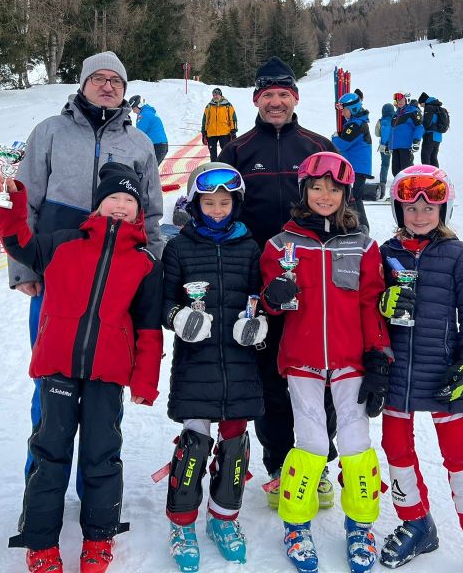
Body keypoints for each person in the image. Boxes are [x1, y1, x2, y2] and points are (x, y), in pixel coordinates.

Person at [0, 162, 164, 573]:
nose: (120, 204)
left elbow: (148, 327)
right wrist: (11, 201)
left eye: (129, 200)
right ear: (98, 205)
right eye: (113, 197)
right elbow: (18, 242)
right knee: (49, 452)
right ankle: (40, 543)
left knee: (102, 454)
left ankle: (99, 539)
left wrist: (144, 381)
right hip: (58, 367)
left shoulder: (144, 262)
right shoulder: (64, 243)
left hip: (108, 373)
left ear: (138, 211)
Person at [11, 51, 164, 473]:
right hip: (56, 279)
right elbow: (25, 200)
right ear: (82, 84)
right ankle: (42, 481)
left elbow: (151, 215)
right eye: (99, 78)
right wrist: (24, 269)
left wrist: (150, 271)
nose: (107, 86)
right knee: (50, 380)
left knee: (104, 388)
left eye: (116, 80)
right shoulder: (51, 132)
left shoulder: (139, 143)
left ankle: (95, 488)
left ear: (125, 90)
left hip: (117, 288)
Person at [376, 165, 463, 573]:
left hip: (444, 372)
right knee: (396, 449)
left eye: (429, 208)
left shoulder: (459, 254)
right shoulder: (385, 253)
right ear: (398, 210)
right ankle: (416, 523)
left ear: (444, 209)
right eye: (411, 208)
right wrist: (383, 304)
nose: (420, 215)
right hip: (398, 372)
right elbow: (368, 304)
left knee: (458, 454)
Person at [259, 151, 390, 573]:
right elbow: (269, 301)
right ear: (304, 192)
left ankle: (361, 524)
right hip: (303, 360)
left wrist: (378, 356)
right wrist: (273, 297)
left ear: (346, 195)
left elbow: (371, 305)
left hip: (352, 361)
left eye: (334, 189)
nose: (324, 196)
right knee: (313, 442)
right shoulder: (281, 244)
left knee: (355, 443)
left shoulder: (363, 246)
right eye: (316, 188)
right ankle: (296, 523)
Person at [218, 55, 339, 510]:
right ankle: (278, 465)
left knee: (318, 374)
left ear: (295, 98)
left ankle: (317, 462)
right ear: (256, 100)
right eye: (267, 95)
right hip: (261, 284)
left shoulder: (318, 146)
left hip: (317, 283)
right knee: (270, 377)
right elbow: (220, 212)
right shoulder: (237, 151)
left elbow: (347, 210)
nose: (275, 102)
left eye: (283, 94)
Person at [160, 162, 263, 571]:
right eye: (208, 203)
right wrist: (178, 317)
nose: (217, 210)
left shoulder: (250, 247)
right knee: (194, 444)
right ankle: (182, 524)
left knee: (235, 446)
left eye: (224, 202)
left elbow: (259, 296)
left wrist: (258, 324)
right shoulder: (179, 248)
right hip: (197, 361)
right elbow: (164, 302)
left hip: (239, 361)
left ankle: (224, 519)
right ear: (195, 205)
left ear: (236, 204)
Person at [333, 91, 373, 234]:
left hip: (357, 166)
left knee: (355, 197)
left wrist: (335, 137)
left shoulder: (356, 125)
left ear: (353, 109)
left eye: (345, 110)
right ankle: (354, 224)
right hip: (356, 166)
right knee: (352, 196)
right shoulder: (355, 123)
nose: (343, 113)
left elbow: (342, 144)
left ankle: (362, 226)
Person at [388, 93, 423, 177]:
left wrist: (416, 140)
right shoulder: (395, 115)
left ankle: (410, 185)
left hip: (406, 147)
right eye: (397, 100)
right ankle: (400, 185)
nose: (399, 102)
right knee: (395, 171)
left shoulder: (413, 112)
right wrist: (388, 145)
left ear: (407, 100)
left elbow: (419, 127)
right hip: (395, 147)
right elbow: (392, 131)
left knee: (406, 170)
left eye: (401, 100)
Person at [129, 95, 169, 165]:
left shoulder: (144, 115)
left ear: (140, 105)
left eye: (134, 109)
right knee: (149, 169)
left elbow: (139, 134)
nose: (133, 112)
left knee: (148, 169)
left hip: (157, 146)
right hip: (159, 146)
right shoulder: (148, 112)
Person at [201, 88, 238, 161]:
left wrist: (233, 130)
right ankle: (214, 166)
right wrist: (204, 132)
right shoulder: (209, 106)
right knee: (213, 154)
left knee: (225, 152)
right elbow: (205, 120)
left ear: (220, 95)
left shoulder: (228, 105)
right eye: (214, 95)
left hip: (224, 133)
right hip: (211, 133)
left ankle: (225, 165)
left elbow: (233, 118)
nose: (215, 96)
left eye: (217, 95)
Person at [416, 92, 448, 168]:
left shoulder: (429, 107)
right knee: (433, 157)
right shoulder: (437, 107)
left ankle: (427, 174)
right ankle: (435, 174)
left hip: (430, 136)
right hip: (438, 137)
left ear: (423, 101)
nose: (420, 106)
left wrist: (419, 135)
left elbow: (426, 124)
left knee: (425, 157)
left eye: (420, 103)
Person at [374, 103, 396, 199]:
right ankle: (398, 180)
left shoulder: (380, 121)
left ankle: (382, 182)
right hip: (394, 146)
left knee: (384, 165)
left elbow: (377, 134)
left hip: (384, 147)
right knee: (396, 163)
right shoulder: (396, 120)